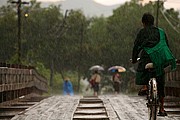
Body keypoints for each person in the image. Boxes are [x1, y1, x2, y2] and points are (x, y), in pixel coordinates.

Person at [131, 12, 176, 116]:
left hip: (146, 58)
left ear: (143, 23)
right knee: (160, 81)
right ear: (153, 22)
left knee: (143, 67)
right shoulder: (161, 32)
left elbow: (136, 47)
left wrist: (134, 59)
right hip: (160, 60)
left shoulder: (142, 32)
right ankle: (162, 108)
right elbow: (166, 46)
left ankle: (146, 86)